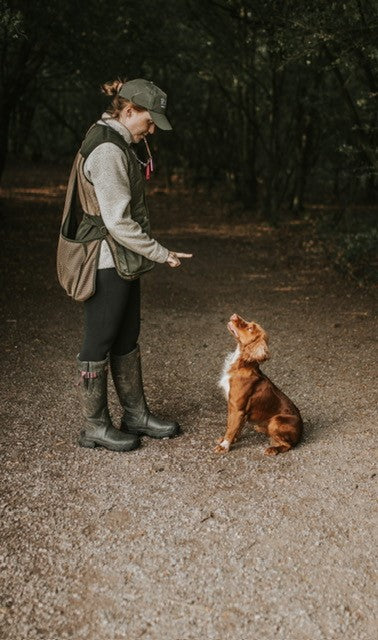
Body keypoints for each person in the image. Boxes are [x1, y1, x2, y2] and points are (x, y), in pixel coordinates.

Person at [61, 78, 192, 452]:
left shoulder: (117, 139)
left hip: (120, 257)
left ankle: (135, 415)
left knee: (126, 335)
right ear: (128, 110)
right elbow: (117, 222)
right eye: (149, 122)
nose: (152, 130)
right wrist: (160, 252)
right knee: (98, 340)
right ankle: (94, 426)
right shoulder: (107, 151)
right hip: (103, 258)